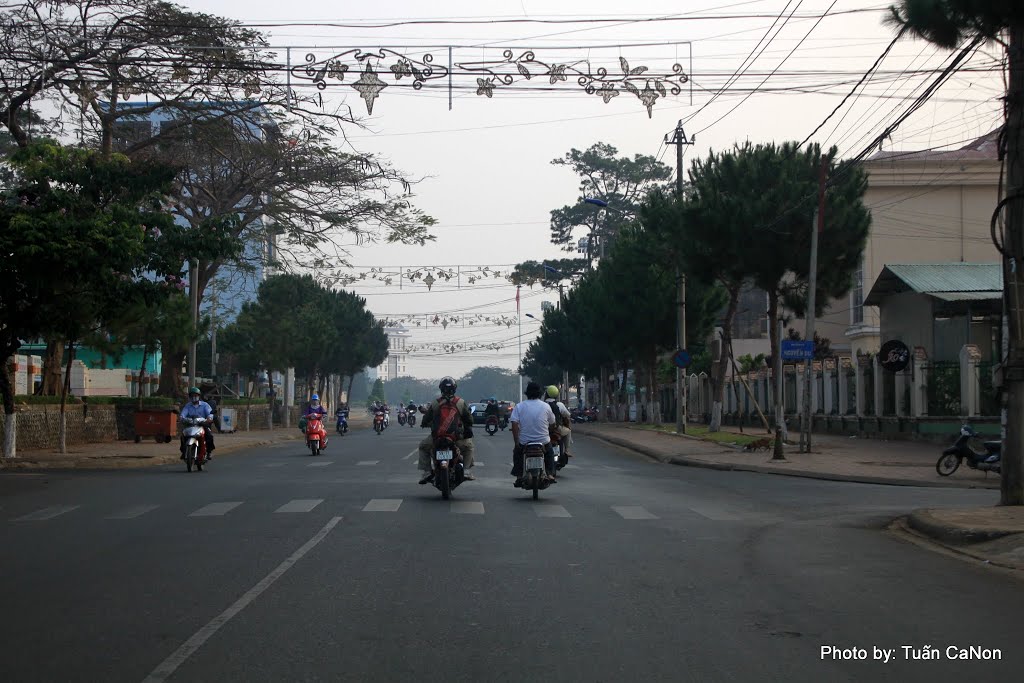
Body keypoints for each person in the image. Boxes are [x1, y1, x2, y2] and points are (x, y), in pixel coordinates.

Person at [417, 376, 475, 484]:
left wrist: (426, 424)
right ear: (454, 389)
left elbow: (426, 420)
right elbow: (469, 420)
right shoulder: (461, 402)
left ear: (441, 389)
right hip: (456, 438)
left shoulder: (435, 403)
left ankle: (427, 472)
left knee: (423, 447)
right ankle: (466, 470)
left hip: (437, 439)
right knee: (469, 447)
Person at [510, 381, 557, 486]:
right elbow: (553, 423)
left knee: (517, 452)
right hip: (543, 441)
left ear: (527, 393)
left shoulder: (519, 406)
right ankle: (550, 474)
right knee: (549, 452)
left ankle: (518, 476)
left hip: (525, 442)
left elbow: (514, 424)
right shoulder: (546, 406)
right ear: (540, 394)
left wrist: (516, 442)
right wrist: (549, 431)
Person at [179, 387, 215, 461]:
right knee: (183, 436)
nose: (194, 397)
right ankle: (184, 452)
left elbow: (210, 414)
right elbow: (183, 414)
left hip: (202, 424)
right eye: (192, 395)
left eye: (196, 395)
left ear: (199, 396)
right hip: (190, 425)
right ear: (190, 397)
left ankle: (209, 452)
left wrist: (209, 419)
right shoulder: (188, 406)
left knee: (209, 435)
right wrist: (181, 417)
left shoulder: (205, 405)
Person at [544, 385, 573, 458]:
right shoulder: (560, 405)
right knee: (568, 431)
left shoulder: (542, 405)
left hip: (544, 429)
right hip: (557, 429)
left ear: (546, 394)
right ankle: (566, 450)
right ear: (556, 395)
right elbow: (567, 415)